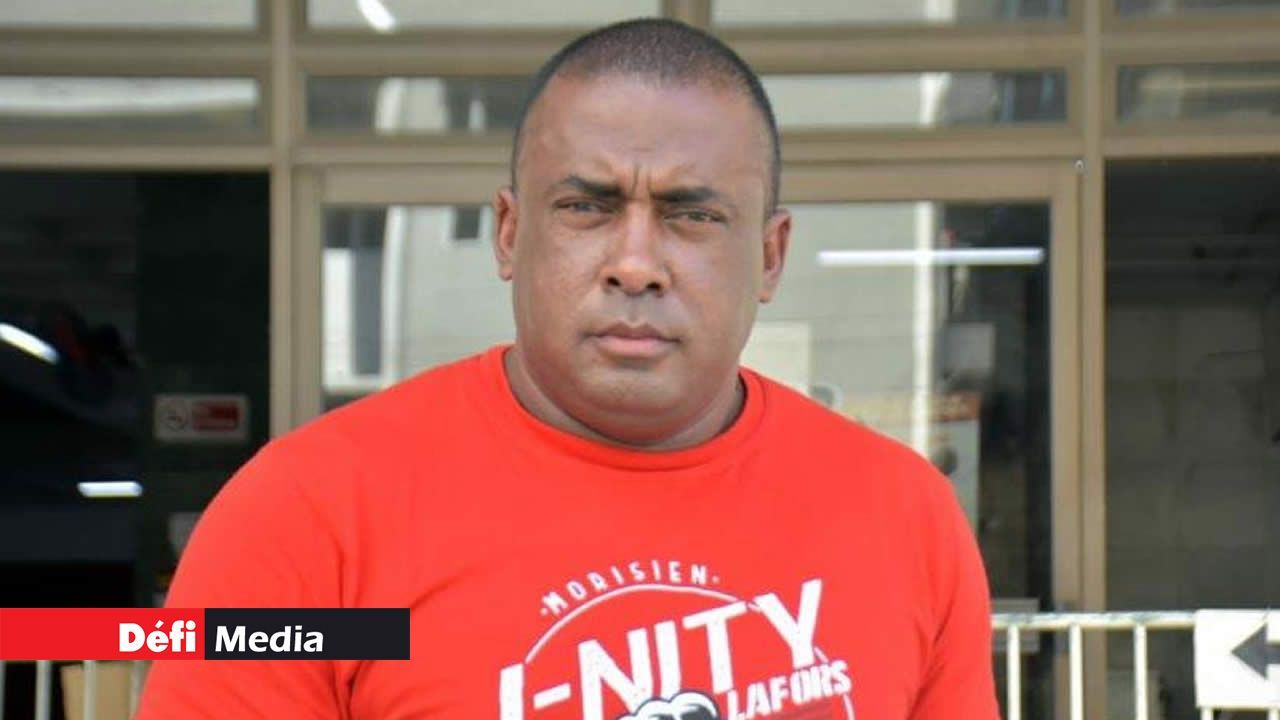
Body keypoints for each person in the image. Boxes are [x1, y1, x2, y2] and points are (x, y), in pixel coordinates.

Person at [137, 18, 997, 720]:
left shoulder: (903, 518)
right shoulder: (308, 519)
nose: (636, 264)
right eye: (587, 207)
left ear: (770, 256)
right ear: (510, 234)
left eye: (692, 215)